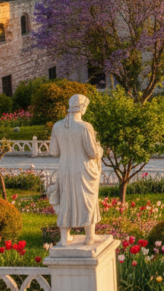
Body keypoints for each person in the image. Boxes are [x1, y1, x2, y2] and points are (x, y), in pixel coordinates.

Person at [49, 94, 103, 247]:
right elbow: (92, 152)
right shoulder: (85, 127)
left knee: (66, 200)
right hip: (83, 169)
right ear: (82, 107)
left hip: (65, 168)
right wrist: (100, 149)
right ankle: (89, 236)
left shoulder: (57, 126)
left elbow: (54, 151)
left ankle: (65, 238)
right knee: (87, 200)